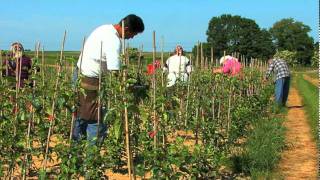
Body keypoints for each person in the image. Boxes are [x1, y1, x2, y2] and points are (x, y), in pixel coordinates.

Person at [72, 14, 144, 146]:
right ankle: (91, 160)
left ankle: (74, 154)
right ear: (126, 28)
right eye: (133, 34)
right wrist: (131, 84)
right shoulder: (113, 40)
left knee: (80, 116)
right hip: (90, 81)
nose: (131, 38)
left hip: (78, 75)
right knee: (97, 121)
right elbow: (115, 72)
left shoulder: (103, 28)